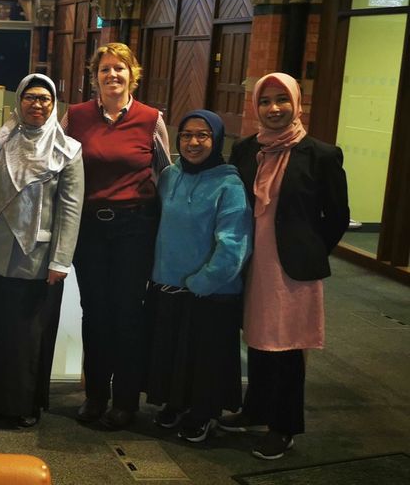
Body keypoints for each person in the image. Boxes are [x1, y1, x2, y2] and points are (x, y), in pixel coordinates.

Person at [221, 72, 349, 460]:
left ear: (296, 104)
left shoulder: (321, 154)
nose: (273, 108)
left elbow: (337, 216)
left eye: (282, 100)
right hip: (252, 261)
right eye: (265, 101)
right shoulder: (246, 150)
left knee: (288, 348)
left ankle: (284, 426)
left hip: (292, 268)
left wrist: (311, 250)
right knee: (258, 339)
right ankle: (255, 409)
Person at [63, 42, 170, 430]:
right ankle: (95, 395)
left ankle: (125, 400)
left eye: (120, 68)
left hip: (134, 228)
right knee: (94, 312)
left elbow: (165, 175)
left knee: (128, 313)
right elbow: (58, 165)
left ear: (132, 74)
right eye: (105, 69)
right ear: (95, 77)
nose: (112, 75)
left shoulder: (151, 119)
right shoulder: (76, 117)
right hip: (90, 228)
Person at [0, 74, 83, 428]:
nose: (37, 104)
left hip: (38, 257)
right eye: (30, 97)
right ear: (19, 101)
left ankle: (23, 405)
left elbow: (70, 209)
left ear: (53, 105)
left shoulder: (68, 149)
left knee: (28, 336)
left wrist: (61, 260)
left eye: (45, 99)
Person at [145, 109, 253, 443]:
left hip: (210, 293)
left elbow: (234, 244)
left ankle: (203, 412)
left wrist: (202, 282)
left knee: (205, 358)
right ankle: (176, 403)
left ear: (217, 139)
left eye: (202, 136)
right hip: (168, 286)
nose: (193, 142)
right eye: (187, 135)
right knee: (174, 353)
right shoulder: (170, 176)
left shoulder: (229, 184)